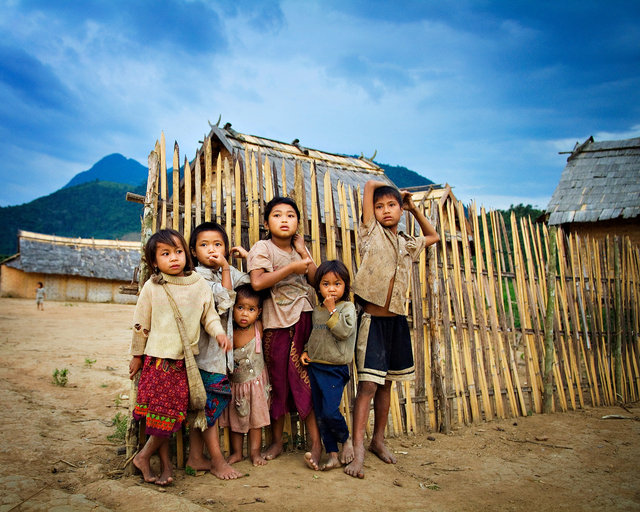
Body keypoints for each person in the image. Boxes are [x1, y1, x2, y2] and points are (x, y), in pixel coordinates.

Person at [344, 181, 440, 479]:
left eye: (392, 205)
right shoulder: (369, 232)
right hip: (371, 321)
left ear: (400, 210)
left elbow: (433, 235)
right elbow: (371, 184)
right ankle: (358, 448)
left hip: (396, 321)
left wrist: (413, 206)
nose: (386, 210)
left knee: (386, 384)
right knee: (368, 386)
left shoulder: (407, 243)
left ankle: (378, 440)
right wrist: (393, 191)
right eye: (380, 206)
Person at [128, 229, 231, 486]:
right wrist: (136, 355)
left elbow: (209, 316)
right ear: (154, 262)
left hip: (183, 364)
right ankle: (156, 463)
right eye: (165, 254)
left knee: (170, 417)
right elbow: (141, 324)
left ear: (187, 254)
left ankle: (156, 463)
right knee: (162, 417)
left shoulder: (198, 284)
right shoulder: (152, 287)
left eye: (178, 252)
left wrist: (218, 334)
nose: (174, 258)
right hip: (157, 362)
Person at [247, 196, 323, 470]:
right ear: (267, 222)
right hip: (275, 324)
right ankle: (277, 441)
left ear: (298, 223)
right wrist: (291, 268)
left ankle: (316, 443)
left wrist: (303, 253)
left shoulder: (300, 250)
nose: (284, 220)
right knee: (277, 383)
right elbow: (257, 282)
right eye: (277, 215)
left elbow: (316, 280)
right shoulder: (262, 247)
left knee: (305, 381)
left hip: (303, 319)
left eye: (290, 215)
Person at [186, 221, 249, 479]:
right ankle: (217, 461)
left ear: (226, 247)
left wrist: (248, 258)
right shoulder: (195, 277)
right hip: (205, 355)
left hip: (220, 356)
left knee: (204, 406)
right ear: (193, 251)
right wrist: (224, 267)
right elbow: (224, 301)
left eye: (217, 245)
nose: (211, 249)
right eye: (204, 245)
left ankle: (194, 458)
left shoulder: (230, 270)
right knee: (208, 406)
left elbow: (252, 284)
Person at [300, 260, 357, 471]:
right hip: (316, 367)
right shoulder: (317, 310)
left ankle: (346, 438)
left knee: (331, 411)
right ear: (318, 288)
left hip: (335, 368)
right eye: (325, 284)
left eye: (337, 283)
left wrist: (333, 311)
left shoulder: (347, 308)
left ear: (345, 287)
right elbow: (316, 334)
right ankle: (332, 454)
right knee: (321, 414)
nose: (331, 288)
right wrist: (307, 350)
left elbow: (343, 332)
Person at [224, 284, 271, 466]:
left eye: (251, 309)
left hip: (258, 385)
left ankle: (255, 453)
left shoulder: (259, 327)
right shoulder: (230, 333)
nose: (245, 314)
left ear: (258, 312)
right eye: (240, 307)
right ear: (233, 308)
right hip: (238, 386)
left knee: (256, 422)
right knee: (237, 420)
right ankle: (237, 453)